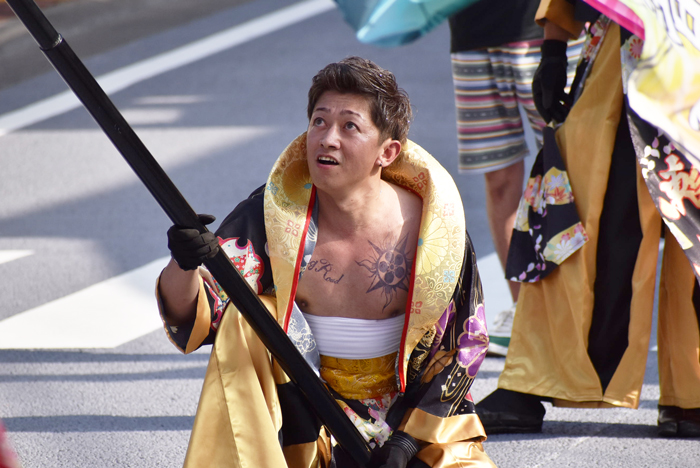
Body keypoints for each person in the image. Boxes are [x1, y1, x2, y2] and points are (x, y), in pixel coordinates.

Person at [156, 57, 496, 467]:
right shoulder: (274, 214)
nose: (327, 138)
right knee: (247, 319)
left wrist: (406, 442)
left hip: (417, 422)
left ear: (387, 151)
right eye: (319, 121)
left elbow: (464, 343)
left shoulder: (433, 226)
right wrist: (184, 263)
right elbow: (201, 315)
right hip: (308, 418)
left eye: (349, 126)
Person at [476, 0, 700, 438]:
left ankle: (692, 393)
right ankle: (528, 381)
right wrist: (554, 46)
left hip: (661, 45)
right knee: (577, 211)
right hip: (632, 47)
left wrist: (555, 44)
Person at [448, 0, 582, 356]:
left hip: (543, 28)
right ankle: (525, 314)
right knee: (500, 180)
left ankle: (581, 308)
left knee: (574, 167)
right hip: (471, 32)